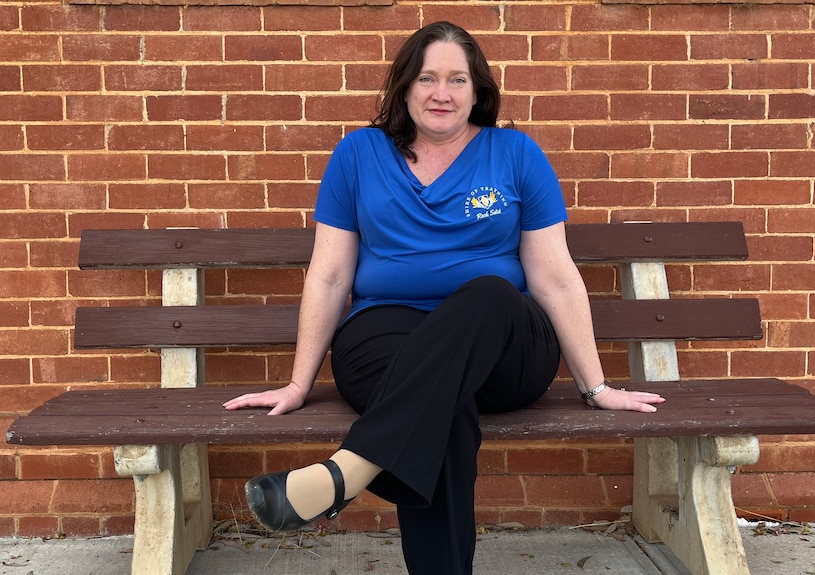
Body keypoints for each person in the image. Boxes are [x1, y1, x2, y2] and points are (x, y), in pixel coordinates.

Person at [223, 21, 665, 574]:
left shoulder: (515, 154)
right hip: (385, 339)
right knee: (442, 407)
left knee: (490, 293)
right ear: (405, 87)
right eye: (428, 77)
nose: (442, 93)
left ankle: (347, 472)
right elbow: (331, 276)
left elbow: (553, 276)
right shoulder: (358, 154)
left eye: (458, 80)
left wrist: (596, 387)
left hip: (504, 347)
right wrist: (299, 383)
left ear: (477, 91)